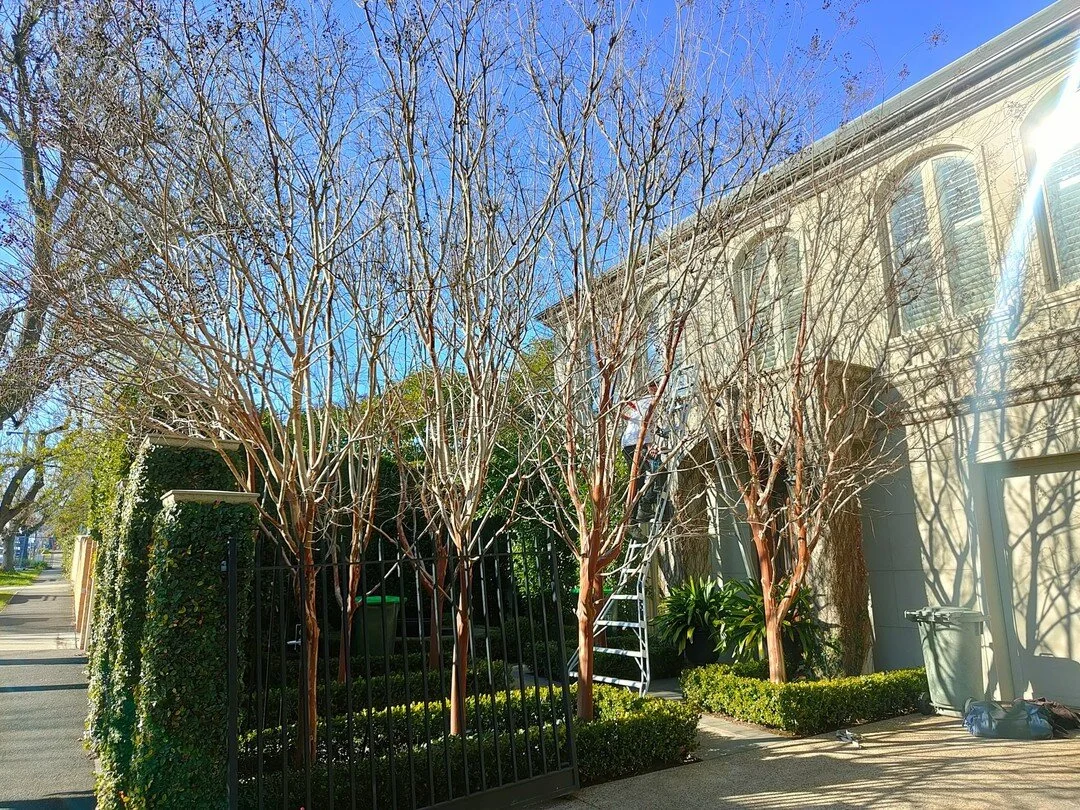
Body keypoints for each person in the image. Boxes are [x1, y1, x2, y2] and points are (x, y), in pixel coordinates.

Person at [621, 381, 660, 523]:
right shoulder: (645, 401)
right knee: (642, 476)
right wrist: (631, 412)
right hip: (632, 443)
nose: (656, 391)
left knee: (653, 472)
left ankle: (641, 510)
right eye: (654, 388)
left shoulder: (653, 406)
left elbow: (647, 429)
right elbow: (623, 412)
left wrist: (650, 447)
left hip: (640, 443)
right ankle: (637, 513)